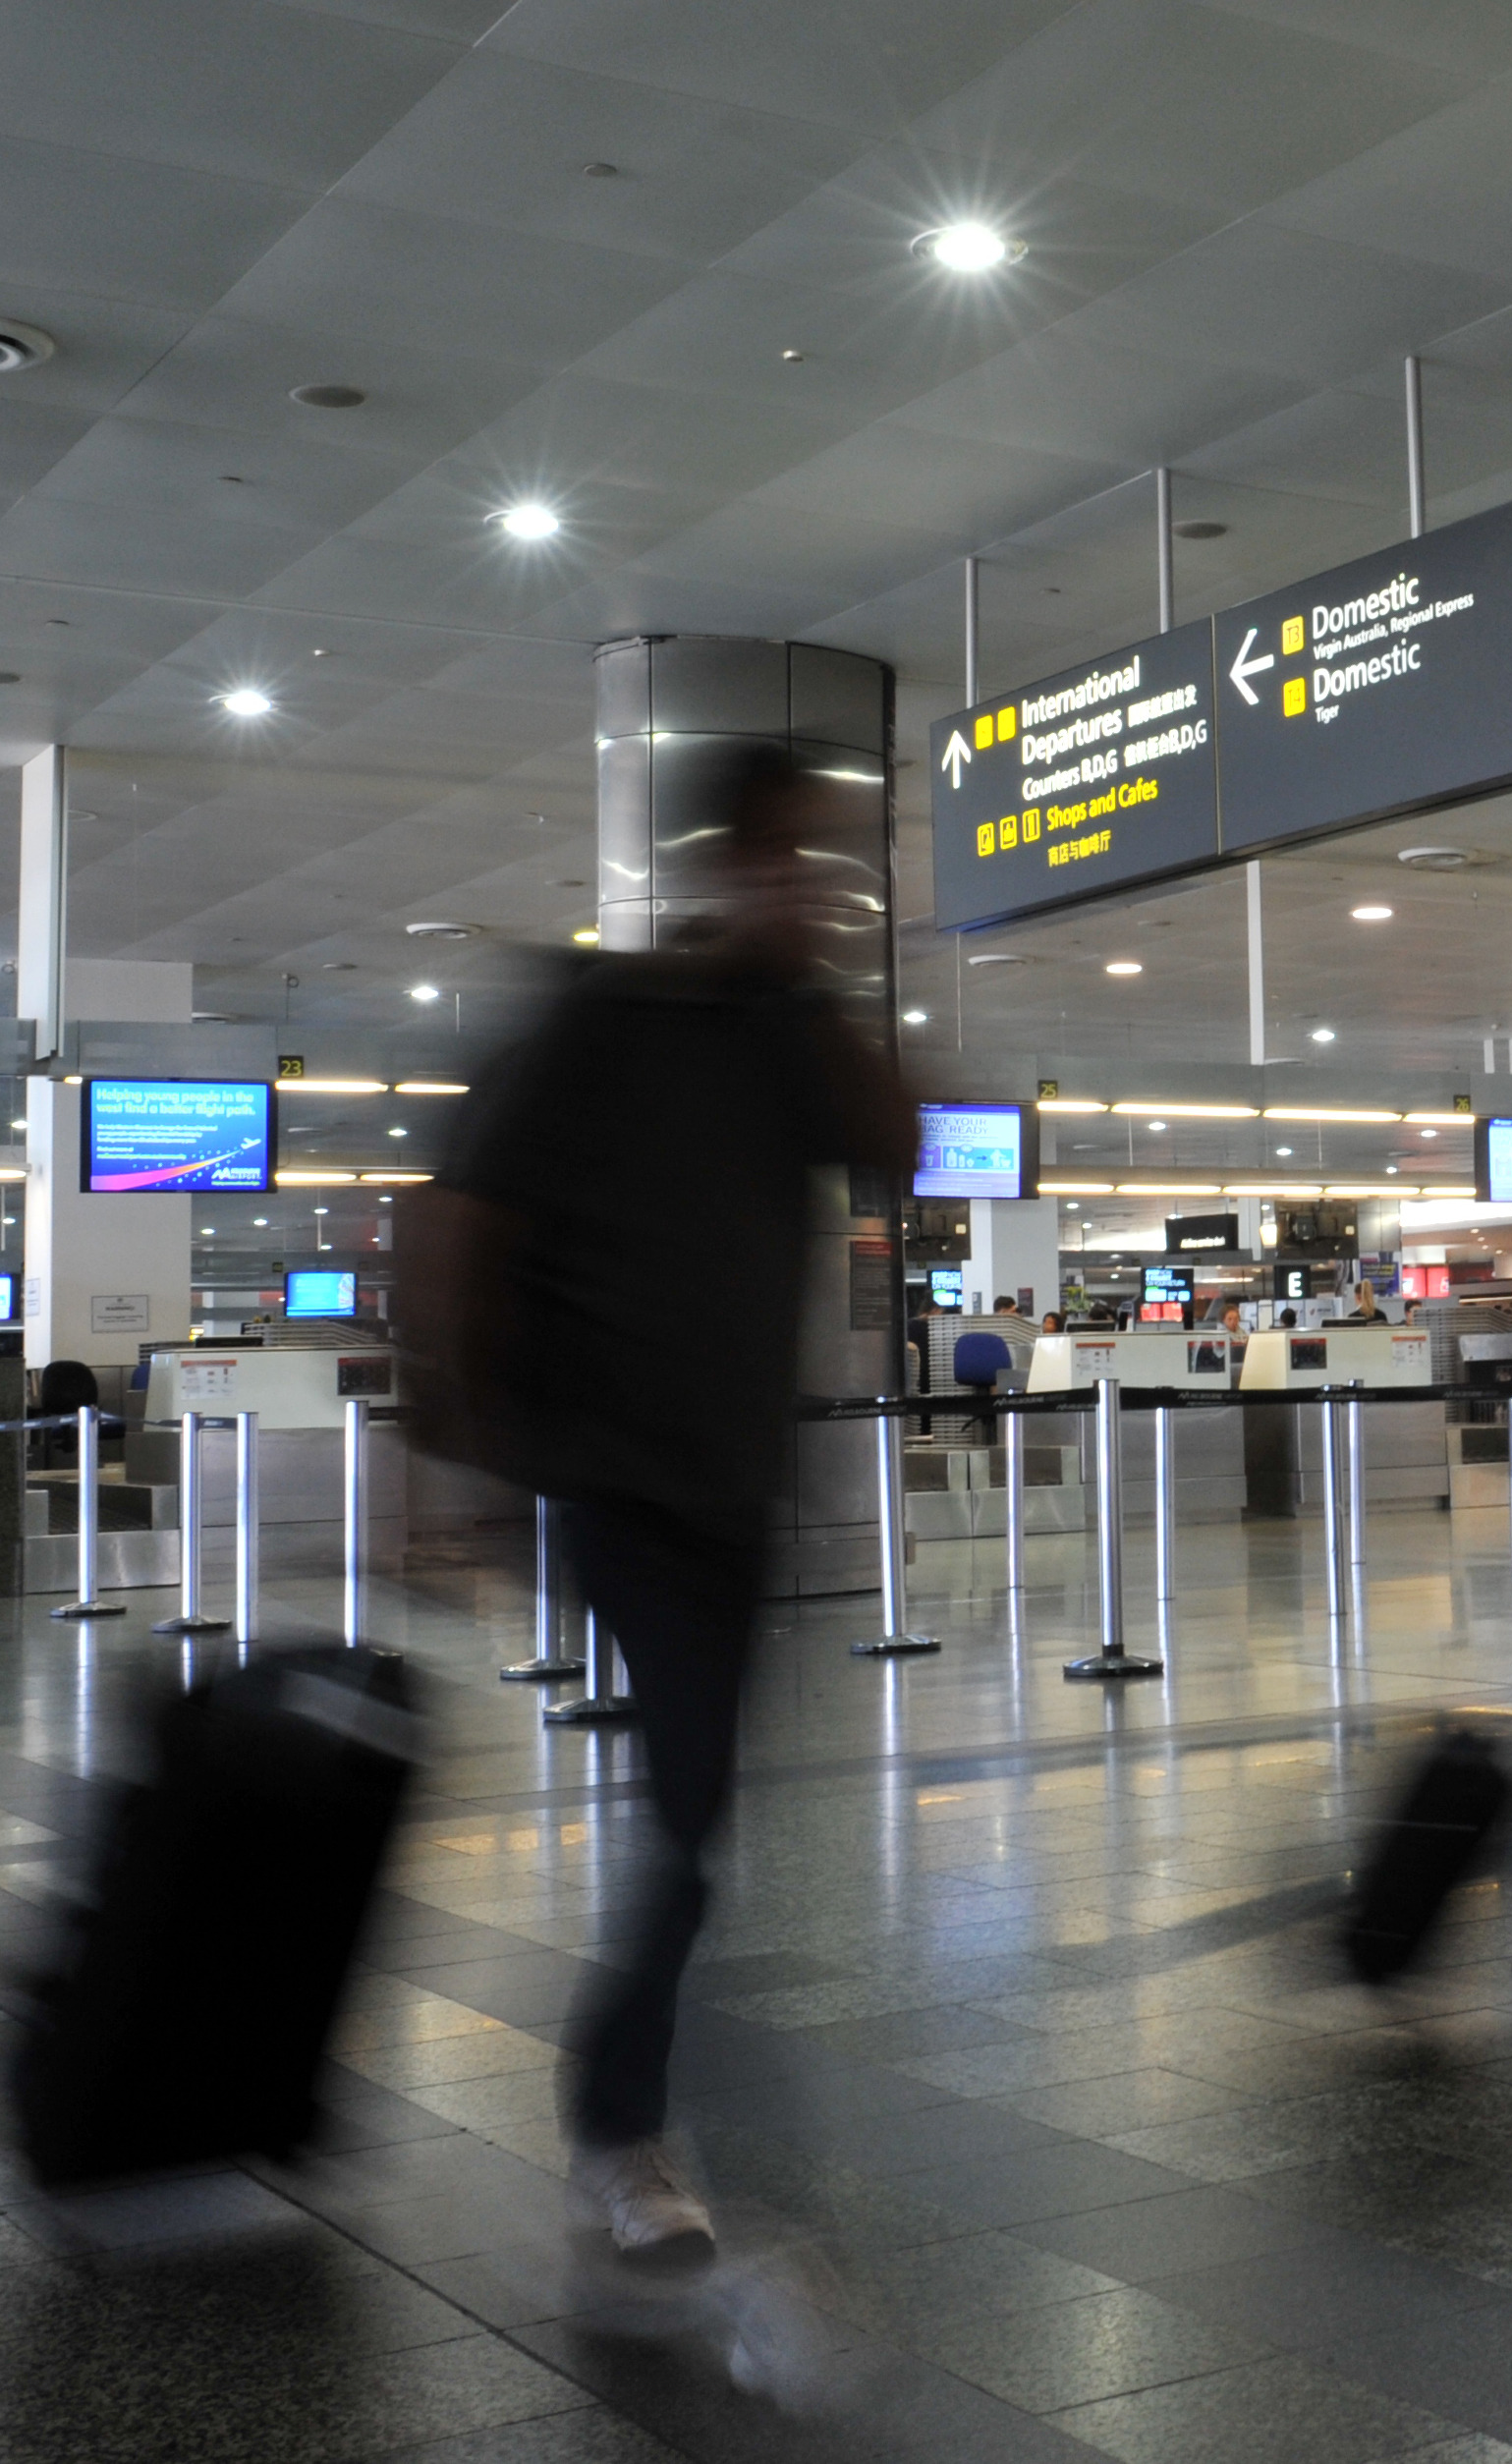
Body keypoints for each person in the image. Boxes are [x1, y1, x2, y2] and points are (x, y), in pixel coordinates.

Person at [410, 739, 910, 2262]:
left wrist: (810, 983)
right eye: (778, 852)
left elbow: (893, 1149)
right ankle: (617, 2130)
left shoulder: (786, 1031)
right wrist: (465, 1461)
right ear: (715, 859)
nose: (802, 881)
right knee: (688, 1811)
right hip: (613, 1473)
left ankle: (621, 2113)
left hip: (734, 1480)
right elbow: (461, 1225)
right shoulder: (597, 1018)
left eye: (821, 862)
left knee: (698, 1812)